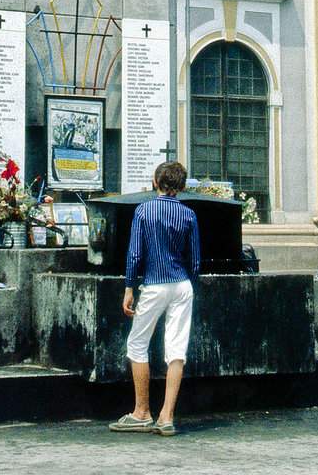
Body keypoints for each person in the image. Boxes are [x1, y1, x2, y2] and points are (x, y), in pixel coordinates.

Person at [109, 161, 200, 436]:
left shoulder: (144, 211)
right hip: (182, 285)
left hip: (154, 284)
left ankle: (141, 412)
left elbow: (135, 254)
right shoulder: (189, 215)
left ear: (154, 182)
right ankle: (166, 416)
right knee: (176, 350)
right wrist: (190, 288)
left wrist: (129, 288)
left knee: (137, 344)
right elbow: (194, 261)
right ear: (183, 187)